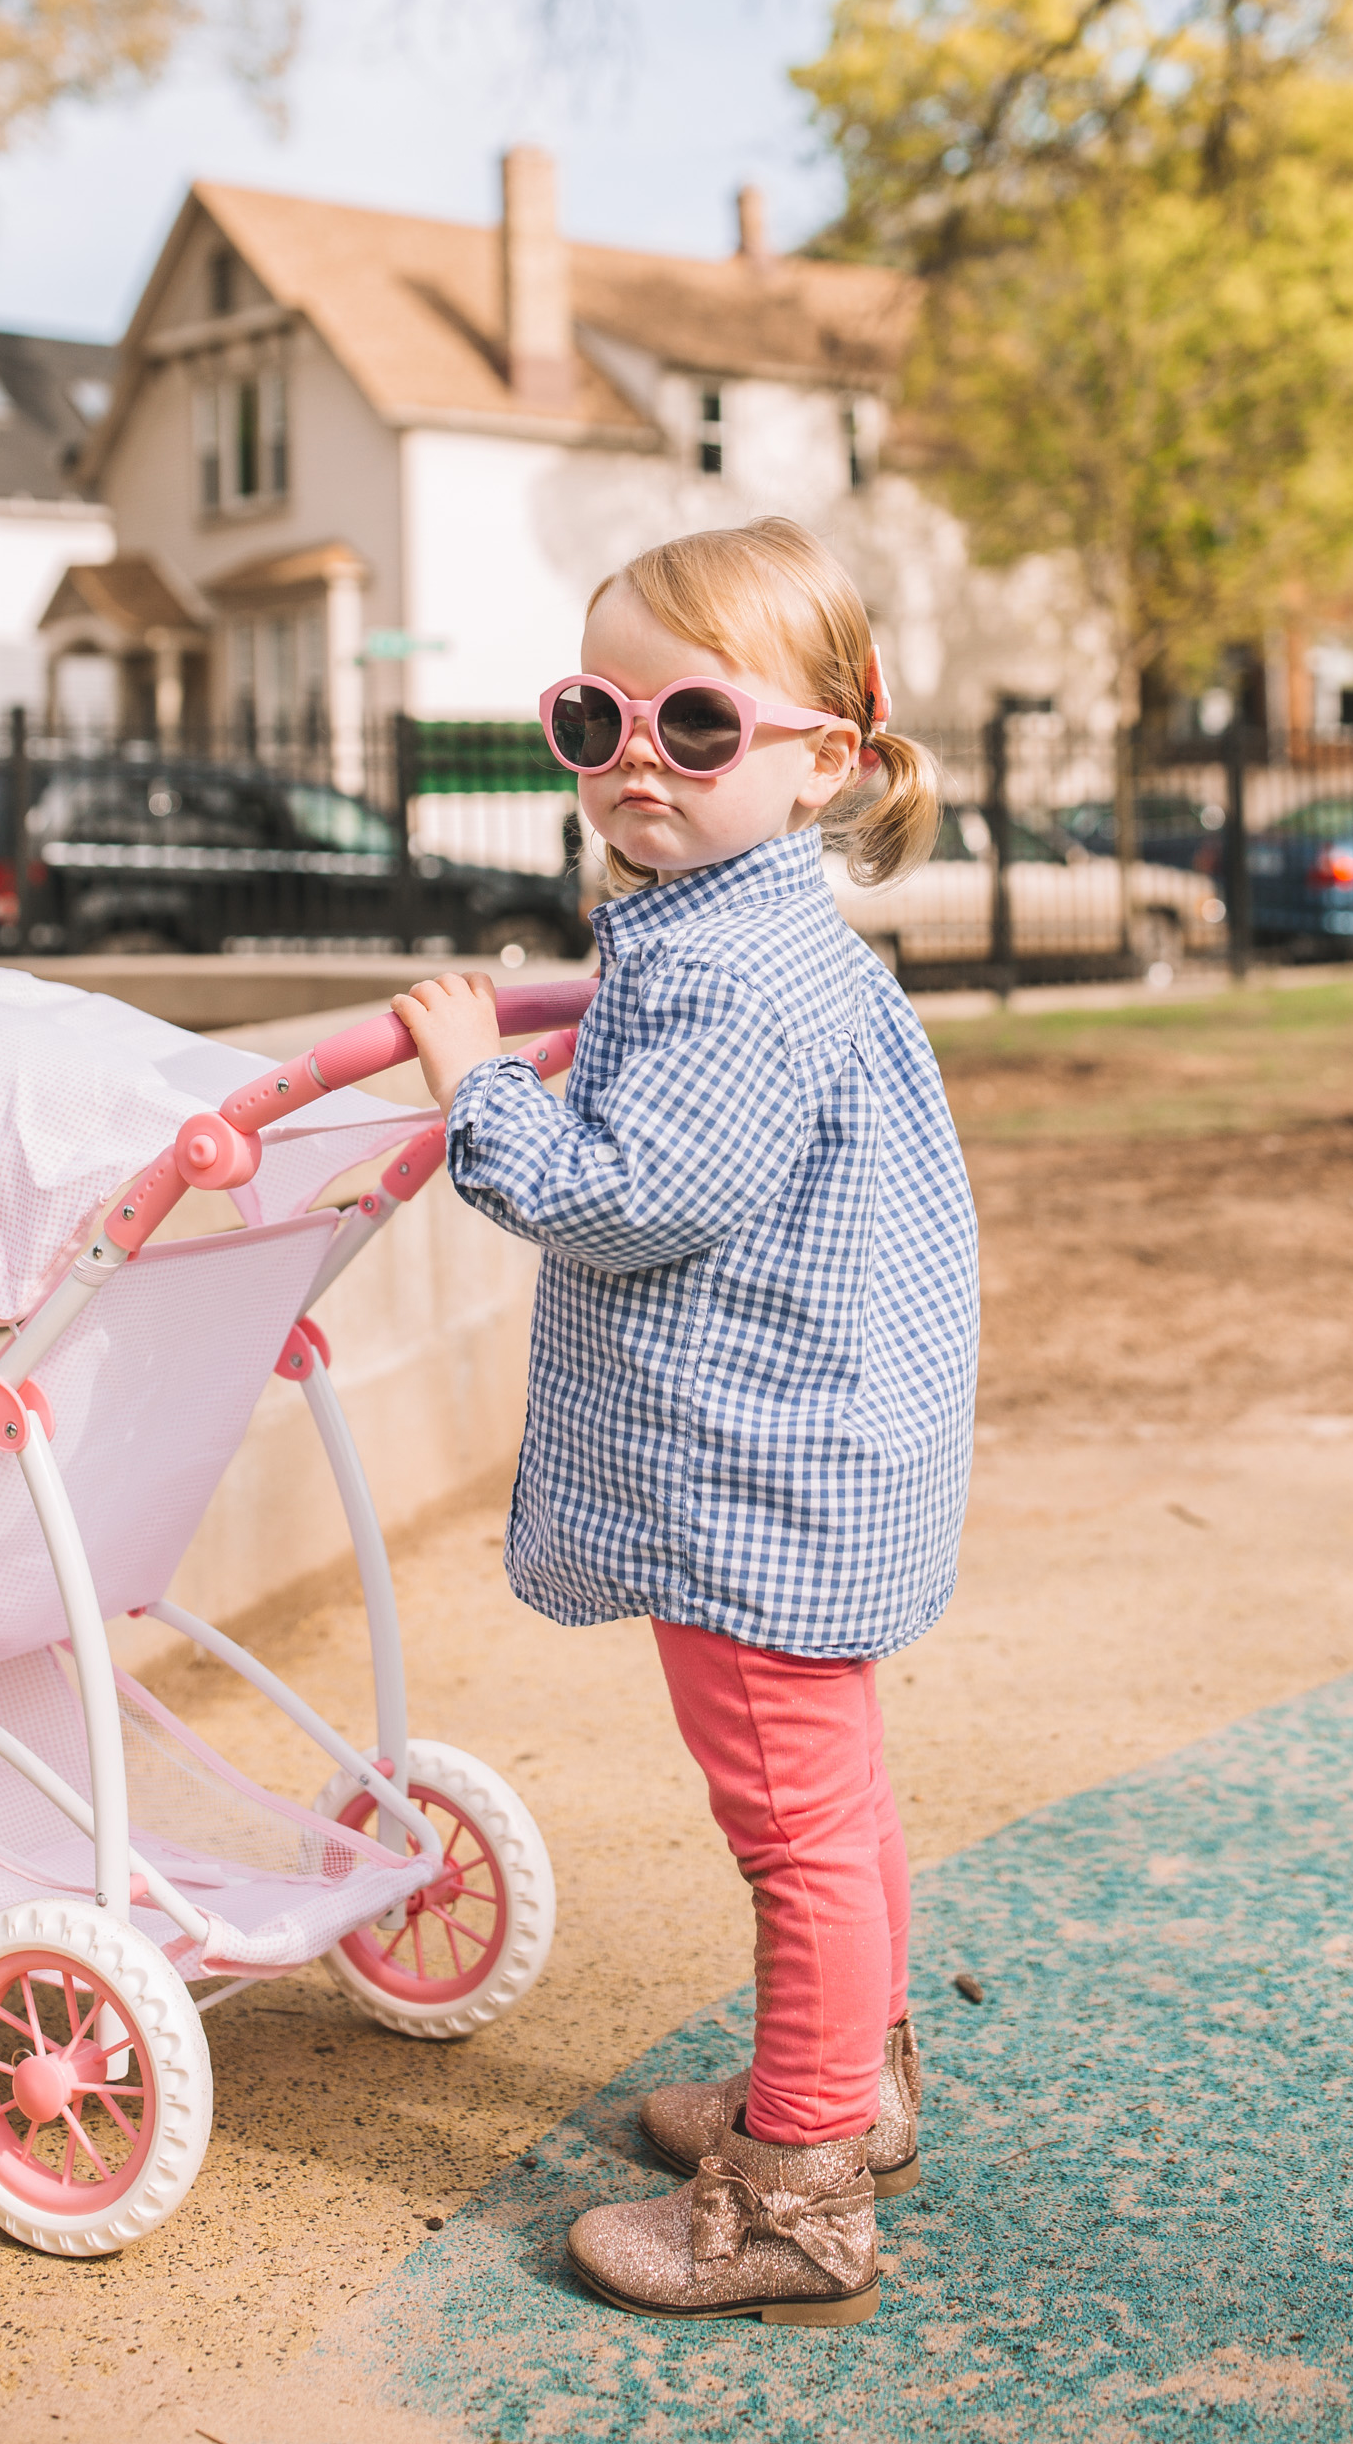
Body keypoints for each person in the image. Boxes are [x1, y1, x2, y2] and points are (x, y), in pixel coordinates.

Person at [392, 516, 978, 2329]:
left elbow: (638, 1189)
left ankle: (797, 2197)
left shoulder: (731, 972)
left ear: (825, 759)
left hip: (758, 1474)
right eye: (596, 716)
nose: (638, 756)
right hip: (816, 1444)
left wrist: (480, 1091)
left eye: (698, 725)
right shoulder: (743, 936)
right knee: (839, 1800)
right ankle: (848, 2088)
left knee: (794, 1826)